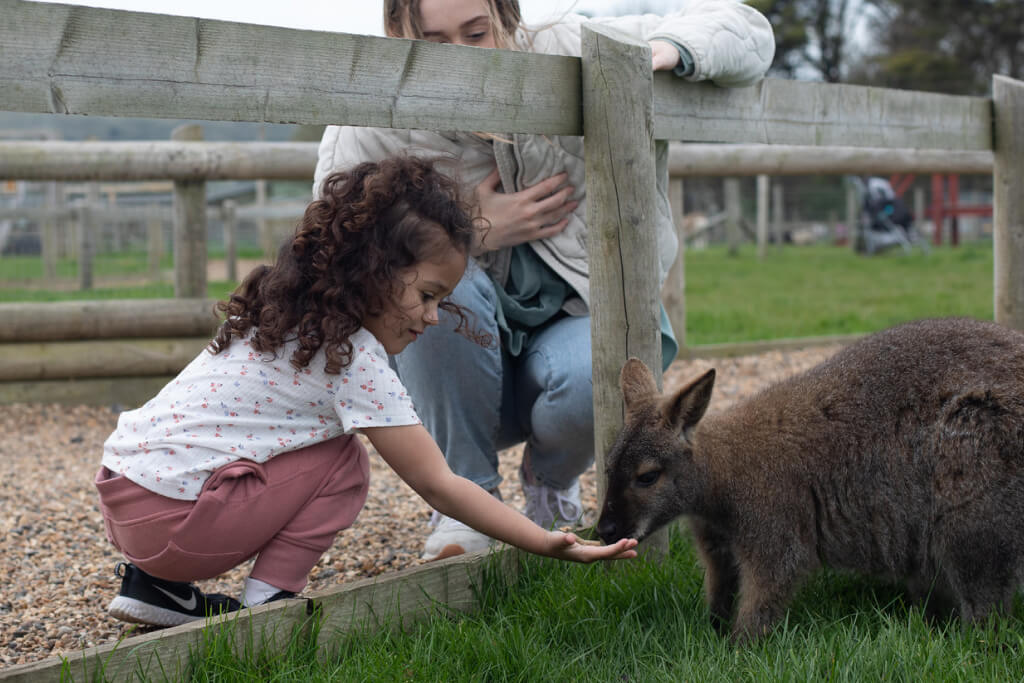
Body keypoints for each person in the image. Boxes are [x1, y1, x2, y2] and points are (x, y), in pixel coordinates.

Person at [313, 0, 775, 561]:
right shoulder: (369, 117)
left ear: (508, 19)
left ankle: (550, 481)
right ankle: (466, 505)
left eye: (477, 32)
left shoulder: (564, 46)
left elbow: (745, 26)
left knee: (595, 377)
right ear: (397, 32)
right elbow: (335, 247)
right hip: (453, 364)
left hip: (572, 325)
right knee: (429, 292)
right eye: (434, 42)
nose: (461, 58)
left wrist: (661, 55)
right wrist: (468, 229)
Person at [94, 157, 638, 628]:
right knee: (345, 462)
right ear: (375, 270)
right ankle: (270, 606)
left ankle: (154, 589)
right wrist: (544, 542)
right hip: (175, 522)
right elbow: (439, 483)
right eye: (428, 295)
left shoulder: (284, 312)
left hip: (124, 495)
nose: (432, 316)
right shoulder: (352, 356)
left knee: (269, 443)